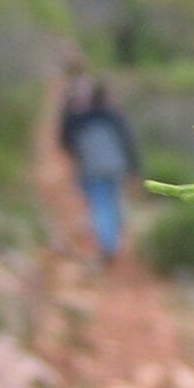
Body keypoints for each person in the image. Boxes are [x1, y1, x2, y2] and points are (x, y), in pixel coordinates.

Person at [58, 76, 140, 263]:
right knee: (112, 203)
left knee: (100, 205)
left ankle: (108, 244)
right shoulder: (113, 115)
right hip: (115, 165)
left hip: (91, 167)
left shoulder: (75, 119)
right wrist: (134, 167)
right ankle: (112, 242)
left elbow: (64, 140)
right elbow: (128, 141)